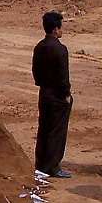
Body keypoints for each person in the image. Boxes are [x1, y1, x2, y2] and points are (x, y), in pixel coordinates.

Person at [33, 11, 72, 178]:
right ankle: (53, 166)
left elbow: (35, 71)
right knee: (57, 131)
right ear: (56, 29)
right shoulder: (60, 49)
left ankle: (41, 164)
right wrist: (66, 94)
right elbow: (63, 77)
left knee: (44, 128)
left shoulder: (39, 46)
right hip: (57, 95)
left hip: (44, 93)